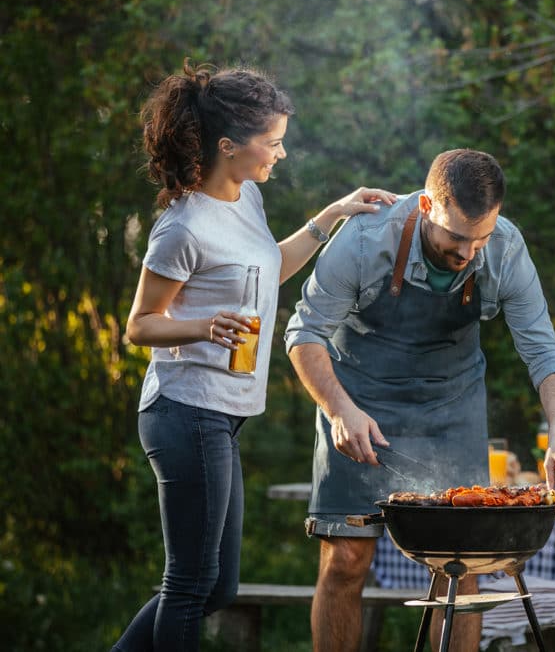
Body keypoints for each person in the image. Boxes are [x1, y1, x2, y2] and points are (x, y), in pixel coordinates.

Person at [113, 59, 395, 652]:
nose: (280, 154)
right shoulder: (180, 227)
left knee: (216, 586)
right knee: (190, 584)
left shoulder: (245, 200)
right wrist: (201, 325)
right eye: (272, 143)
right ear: (228, 145)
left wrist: (331, 217)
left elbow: (270, 273)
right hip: (185, 411)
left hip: (224, 413)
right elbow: (139, 326)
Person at [284, 147, 555, 652]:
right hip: (358, 403)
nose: (469, 253)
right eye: (456, 238)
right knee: (346, 560)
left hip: (451, 404)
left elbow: (546, 354)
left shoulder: (506, 249)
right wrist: (339, 410)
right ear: (426, 208)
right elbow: (303, 334)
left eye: (480, 238)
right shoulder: (362, 239)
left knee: (461, 562)